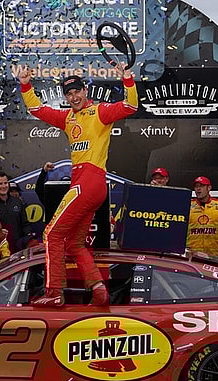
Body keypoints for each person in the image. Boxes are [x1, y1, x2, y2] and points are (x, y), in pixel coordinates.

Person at [16, 63, 138, 306]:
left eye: (77, 92)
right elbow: (37, 109)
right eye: (69, 94)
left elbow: (130, 106)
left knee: (51, 234)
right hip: (86, 184)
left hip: (90, 181)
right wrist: (25, 84)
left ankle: (53, 294)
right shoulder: (67, 118)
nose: (73, 98)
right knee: (72, 243)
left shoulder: (100, 113)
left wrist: (128, 80)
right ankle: (99, 290)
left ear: (85, 91)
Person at [0, 171, 34, 254]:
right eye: (0, 184)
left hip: (17, 249)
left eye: (5, 183)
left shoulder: (17, 202)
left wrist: (29, 238)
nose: (4, 186)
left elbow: (25, 224)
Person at [186, 176, 218, 256]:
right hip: (191, 255)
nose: (198, 189)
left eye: (202, 186)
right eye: (196, 186)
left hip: (214, 256)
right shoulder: (186, 205)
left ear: (209, 188)